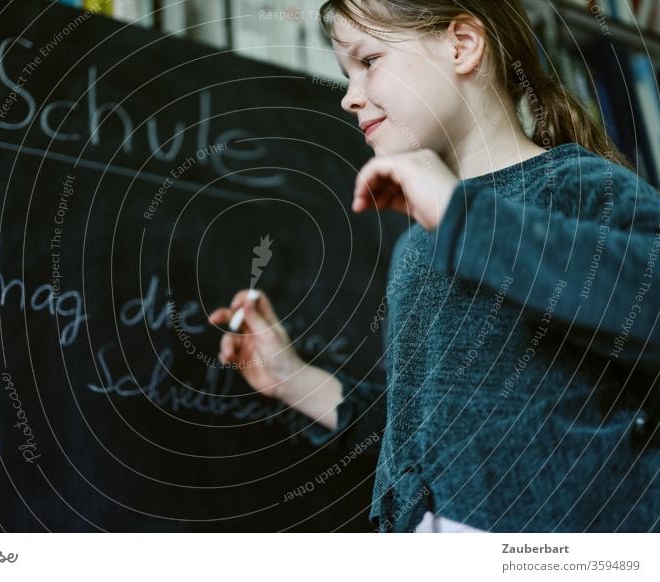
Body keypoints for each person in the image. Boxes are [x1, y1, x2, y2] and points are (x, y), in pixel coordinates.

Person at [207, 0, 660, 533]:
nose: (351, 96)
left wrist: (460, 217)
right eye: (345, 73)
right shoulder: (420, 243)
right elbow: (430, 434)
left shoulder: (575, 187)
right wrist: (295, 380)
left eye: (369, 61)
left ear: (462, 45)